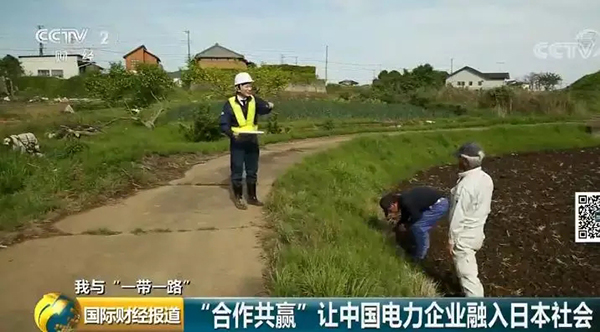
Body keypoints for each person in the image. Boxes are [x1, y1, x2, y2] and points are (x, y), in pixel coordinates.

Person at [219, 72, 274, 210]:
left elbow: (264, 108)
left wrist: (269, 106)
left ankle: (252, 197)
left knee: (252, 170)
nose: (249, 89)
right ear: (238, 88)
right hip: (237, 142)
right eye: (246, 86)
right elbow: (223, 124)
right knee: (237, 170)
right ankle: (238, 198)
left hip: (251, 140)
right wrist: (231, 134)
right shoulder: (229, 104)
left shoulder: (254, 100)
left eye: (250, 86)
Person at [448, 142, 494, 297]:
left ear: (466, 162)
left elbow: (457, 216)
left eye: (460, 159)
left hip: (463, 238)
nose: (458, 162)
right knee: (468, 270)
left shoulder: (465, 187)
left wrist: (451, 240)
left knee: (468, 277)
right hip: (477, 232)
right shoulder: (486, 179)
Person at [380, 186, 450, 262]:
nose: (391, 213)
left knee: (418, 227)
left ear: (393, 204)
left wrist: (406, 225)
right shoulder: (402, 199)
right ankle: (415, 243)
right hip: (432, 203)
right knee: (413, 225)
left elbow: (416, 216)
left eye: (390, 211)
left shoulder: (407, 202)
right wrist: (399, 225)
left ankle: (420, 255)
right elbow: (406, 215)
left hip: (439, 205)